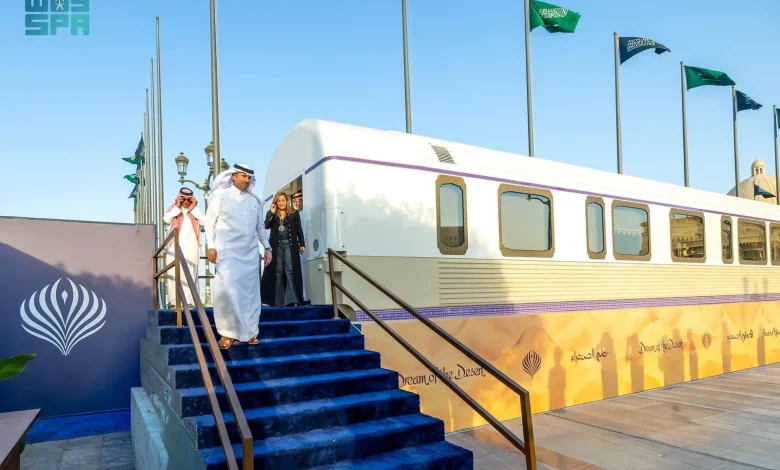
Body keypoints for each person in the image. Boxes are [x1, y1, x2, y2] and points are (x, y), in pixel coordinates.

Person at [204, 163, 272, 350]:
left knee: (250, 294)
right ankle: (227, 333)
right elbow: (209, 222)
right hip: (227, 252)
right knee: (227, 291)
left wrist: (267, 247)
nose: (247, 180)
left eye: (249, 177)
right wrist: (211, 246)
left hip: (250, 253)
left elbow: (260, 227)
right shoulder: (220, 196)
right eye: (243, 176)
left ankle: (250, 332)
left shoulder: (255, 201)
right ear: (233, 176)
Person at [261, 192, 306, 306]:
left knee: (290, 271)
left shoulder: (294, 213)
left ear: (287, 201)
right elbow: (266, 225)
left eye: (283, 200)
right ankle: (278, 301)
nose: (281, 203)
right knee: (278, 272)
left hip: (290, 246)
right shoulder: (272, 214)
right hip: (276, 246)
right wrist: (271, 213)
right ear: (275, 202)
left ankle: (293, 300)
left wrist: (302, 244)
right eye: (279, 201)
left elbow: (299, 229)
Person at [162, 188, 205, 308]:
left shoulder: (195, 212)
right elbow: (166, 220)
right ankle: (174, 302)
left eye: (188, 199)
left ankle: (189, 301)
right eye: (183, 199)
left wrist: (194, 208)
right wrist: (177, 205)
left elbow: (205, 222)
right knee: (174, 273)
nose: (186, 202)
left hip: (192, 247)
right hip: (174, 247)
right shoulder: (174, 210)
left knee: (190, 273)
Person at [291, 189, 309, 303]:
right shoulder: (293, 215)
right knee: (299, 272)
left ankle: (304, 296)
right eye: (295, 201)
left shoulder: (306, 213)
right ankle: (301, 296)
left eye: (299, 201)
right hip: (298, 249)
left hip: (307, 248)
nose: (297, 203)